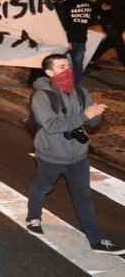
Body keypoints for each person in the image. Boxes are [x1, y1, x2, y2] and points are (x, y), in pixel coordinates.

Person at [25, 54, 123, 254]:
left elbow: (91, 123)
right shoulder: (41, 96)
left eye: (68, 65)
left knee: (83, 196)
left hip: (78, 155)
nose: (68, 69)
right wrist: (84, 115)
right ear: (49, 72)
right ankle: (33, 216)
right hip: (51, 154)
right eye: (62, 67)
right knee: (43, 186)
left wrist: (96, 114)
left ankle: (96, 240)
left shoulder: (80, 90)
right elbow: (51, 126)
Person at [61, 0, 92, 84]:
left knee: (60, 63)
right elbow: (92, 20)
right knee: (78, 64)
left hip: (66, 39)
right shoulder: (89, 4)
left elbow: (64, 23)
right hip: (81, 39)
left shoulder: (66, 4)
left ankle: (62, 82)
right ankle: (77, 84)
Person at [91, 0, 125, 66]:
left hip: (120, 24)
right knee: (119, 42)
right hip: (108, 23)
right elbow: (97, 9)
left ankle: (91, 59)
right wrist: (103, 9)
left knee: (108, 43)